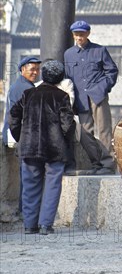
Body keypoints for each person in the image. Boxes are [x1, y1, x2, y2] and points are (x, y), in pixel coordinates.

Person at [8, 60, 75, 235]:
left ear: (43, 75)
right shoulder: (62, 96)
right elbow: (68, 125)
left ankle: (30, 225)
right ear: (60, 78)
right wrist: (66, 142)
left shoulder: (28, 94)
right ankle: (46, 224)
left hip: (29, 145)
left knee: (30, 184)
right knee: (53, 184)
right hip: (55, 147)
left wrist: (20, 137)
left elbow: (13, 116)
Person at [64, 20, 118, 175]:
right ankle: (96, 163)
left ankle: (108, 165)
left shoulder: (99, 50)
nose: (79, 38)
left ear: (88, 34)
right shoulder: (68, 54)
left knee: (104, 131)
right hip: (81, 99)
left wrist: (103, 88)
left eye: (81, 34)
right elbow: (68, 77)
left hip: (98, 97)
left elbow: (112, 71)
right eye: (76, 35)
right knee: (84, 134)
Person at [2, 56, 42, 215]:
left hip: (21, 136)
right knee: (28, 176)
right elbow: (18, 117)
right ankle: (26, 211)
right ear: (22, 70)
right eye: (32, 69)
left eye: (37, 69)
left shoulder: (25, 85)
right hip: (22, 137)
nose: (35, 72)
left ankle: (25, 210)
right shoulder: (23, 88)